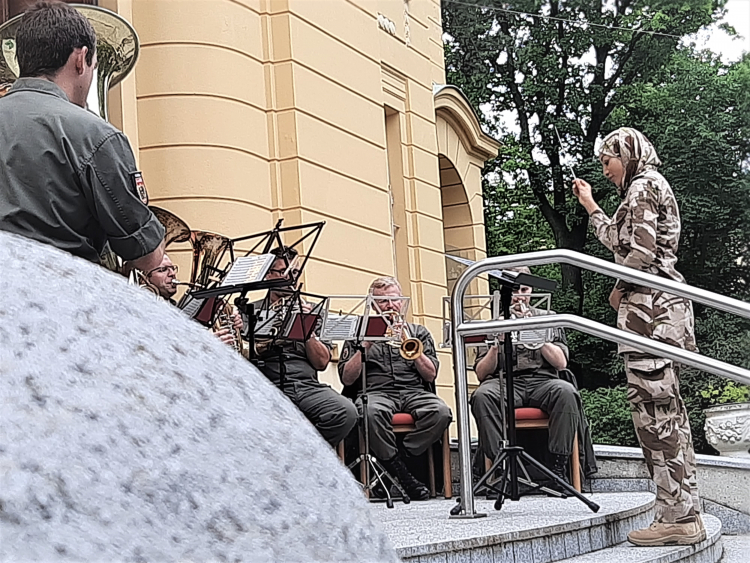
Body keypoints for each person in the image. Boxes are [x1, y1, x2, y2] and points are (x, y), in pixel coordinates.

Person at [573, 127, 704, 546]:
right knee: (662, 416)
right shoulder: (643, 188)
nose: (606, 169)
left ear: (626, 154)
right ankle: (679, 513)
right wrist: (592, 205)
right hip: (652, 310)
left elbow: (642, 254)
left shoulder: (645, 186)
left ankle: (679, 518)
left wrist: (617, 290)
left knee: (657, 419)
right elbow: (618, 237)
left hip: (651, 313)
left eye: (608, 160)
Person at [0, 2, 164, 272]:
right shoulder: (97, 136)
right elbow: (148, 256)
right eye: (94, 66)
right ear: (81, 58)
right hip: (62, 300)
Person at [471, 268, 596, 486]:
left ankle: (558, 467)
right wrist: (495, 344)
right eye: (515, 289)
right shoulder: (493, 322)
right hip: (504, 381)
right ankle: (501, 466)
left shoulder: (548, 318)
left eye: (524, 289)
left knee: (566, 392)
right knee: (481, 396)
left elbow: (561, 363)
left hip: (543, 380)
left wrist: (537, 335)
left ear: (532, 291)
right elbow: (481, 373)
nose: (520, 295)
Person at [338, 276, 452, 501]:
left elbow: (431, 374)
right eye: (383, 302)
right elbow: (346, 379)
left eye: (394, 300)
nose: (390, 306)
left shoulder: (418, 332)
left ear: (402, 302)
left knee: (441, 413)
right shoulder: (359, 332)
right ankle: (404, 475)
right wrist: (365, 345)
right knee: (369, 413)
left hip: (414, 392)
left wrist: (412, 347)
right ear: (372, 305)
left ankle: (398, 464)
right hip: (376, 392)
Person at [248, 247, 358, 449]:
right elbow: (243, 353)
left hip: (306, 385)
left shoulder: (314, 310)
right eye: (282, 272)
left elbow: (322, 362)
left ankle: (306, 456)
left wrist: (306, 328)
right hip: (266, 385)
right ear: (267, 275)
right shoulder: (250, 310)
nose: (289, 277)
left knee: (346, 412)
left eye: (294, 272)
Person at [145, 253, 242, 348]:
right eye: (163, 270)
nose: (172, 274)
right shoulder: (147, 312)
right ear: (145, 278)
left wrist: (232, 321)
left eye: (172, 268)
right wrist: (206, 345)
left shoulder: (176, 307)